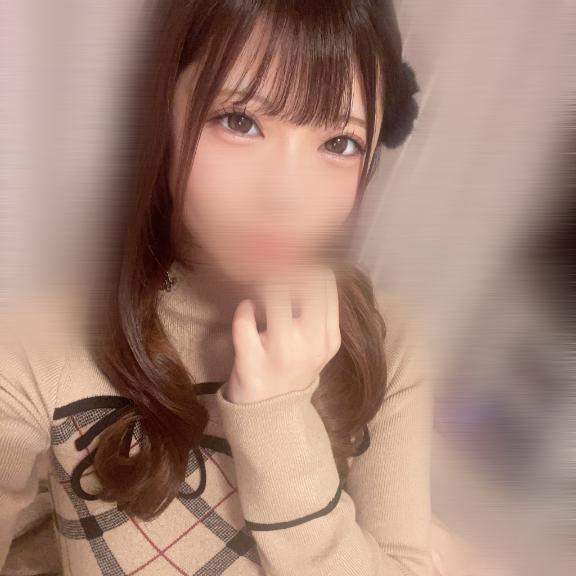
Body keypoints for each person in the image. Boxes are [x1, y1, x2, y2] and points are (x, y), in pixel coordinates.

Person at [0, 1, 431, 574]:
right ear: (161, 112)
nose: (287, 196)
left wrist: (277, 419)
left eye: (339, 143)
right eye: (239, 121)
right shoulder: (38, 346)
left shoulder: (388, 340)